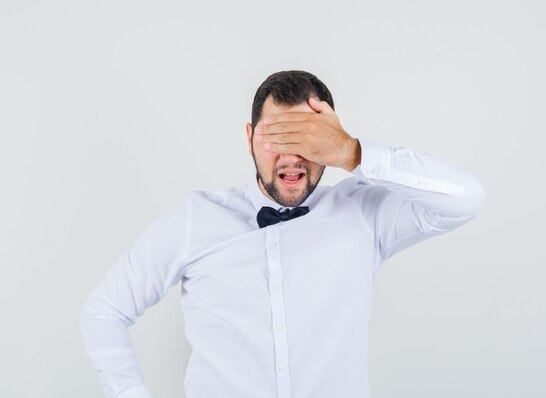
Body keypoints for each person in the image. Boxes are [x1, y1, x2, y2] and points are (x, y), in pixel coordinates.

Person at [79, 70, 485, 398]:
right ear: (249, 139)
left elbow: (465, 199)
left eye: (308, 139)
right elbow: (104, 311)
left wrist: (353, 152)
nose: (291, 156)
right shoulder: (195, 219)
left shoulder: (366, 213)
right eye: (275, 137)